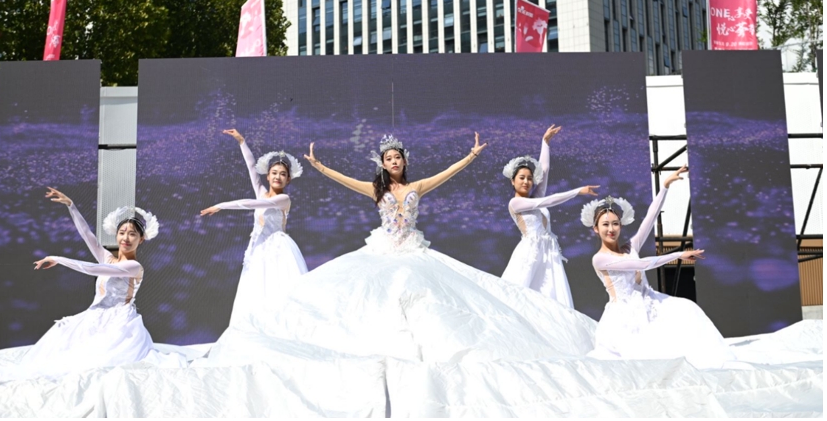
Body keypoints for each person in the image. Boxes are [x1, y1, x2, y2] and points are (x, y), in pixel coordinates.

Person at [229, 133, 599, 365]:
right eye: (388, 158)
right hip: (382, 250)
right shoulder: (376, 189)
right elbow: (345, 180)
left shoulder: (416, 186)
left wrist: (471, 156)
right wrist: (320, 166)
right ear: (383, 163)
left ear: (404, 161)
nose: (394, 162)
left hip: (414, 251)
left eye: (398, 158)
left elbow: (446, 174)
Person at [0, 187, 183, 381]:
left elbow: (92, 269)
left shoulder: (134, 266)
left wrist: (58, 259)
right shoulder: (108, 258)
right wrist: (71, 206)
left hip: (119, 324)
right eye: (122, 232)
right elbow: (87, 236)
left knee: (95, 367)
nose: (126, 238)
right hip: (94, 316)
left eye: (132, 234)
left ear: (141, 239)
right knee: (59, 343)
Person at [585, 166, 736, 369]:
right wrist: (678, 254)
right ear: (596, 228)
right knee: (648, 359)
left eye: (615, 223)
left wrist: (664, 186)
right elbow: (642, 264)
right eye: (605, 224)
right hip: (625, 315)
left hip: (650, 301)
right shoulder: (599, 259)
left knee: (688, 308)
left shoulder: (630, 247)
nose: (611, 229)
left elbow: (651, 216)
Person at [200, 129, 308, 330]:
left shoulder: (283, 199)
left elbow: (251, 204)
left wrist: (222, 205)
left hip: (278, 250)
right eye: (274, 173)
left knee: (278, 289)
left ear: (288, 179)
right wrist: (242, 142)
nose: (278, 177)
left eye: (283, 174)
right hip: (258, 249)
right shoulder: (261, 192)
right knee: (256, 289)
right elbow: (251, 167)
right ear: (268, 175)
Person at [501, 125, 599, 307]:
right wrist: (577, 191)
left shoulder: (534, 197)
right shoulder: (515, 203)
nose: (526, 181)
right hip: (530, 252)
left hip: (548, 252)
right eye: (521, 177)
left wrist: (545, 143)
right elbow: (549, 200)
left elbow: (544, 170)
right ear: (512, 181)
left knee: (551, 299)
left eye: (529, 178)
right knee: (521, 296)